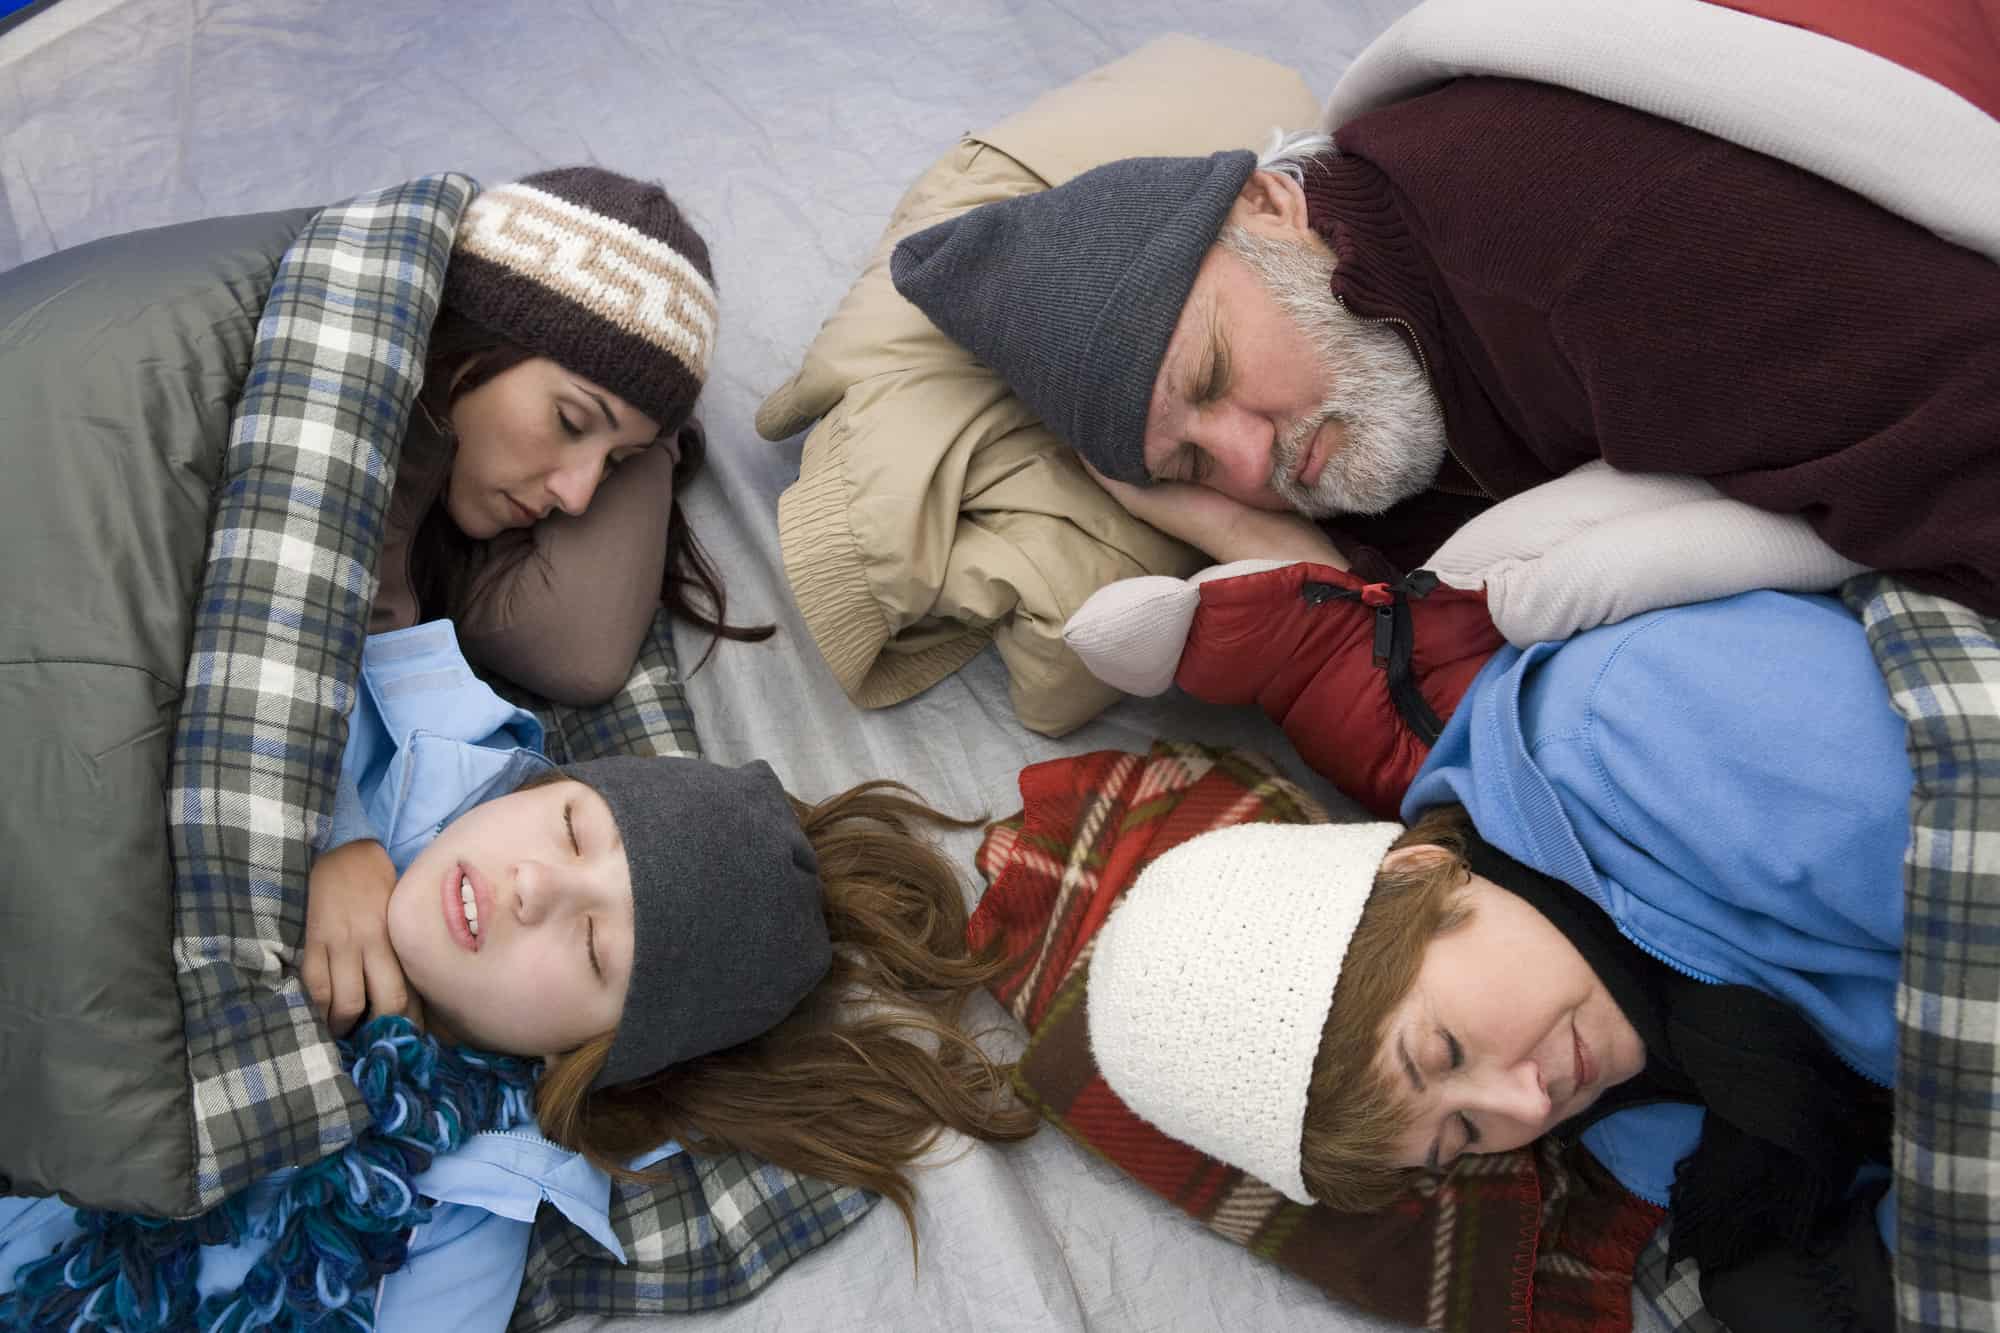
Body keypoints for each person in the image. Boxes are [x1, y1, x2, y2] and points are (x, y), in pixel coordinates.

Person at [0, 621, 1033, 1331]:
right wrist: (323, 831)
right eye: (574, 826)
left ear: (575, 1053)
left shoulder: (461, 1222)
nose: (536, 888)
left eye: (591, 951)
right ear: (543, 784)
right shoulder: (361, 719)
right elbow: (149, 657)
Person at [1083, 589, 1910, 1332]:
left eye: (1443, 1051)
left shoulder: (1637, 723)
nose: (1527, 1101)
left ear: (1417, 874)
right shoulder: (1633, 1126)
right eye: (1465, 1133)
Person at [887, 79, 2000, 617]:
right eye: (1183, 462)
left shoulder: (1580, 246)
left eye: (1213, 378)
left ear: (1271, 206)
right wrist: (1262, 548)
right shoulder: (1373, 410)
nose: (1242, 456)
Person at [388, 166, 768, 706]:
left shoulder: (448, 532)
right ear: (462, 334)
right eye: (571, 421)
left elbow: (579, 655)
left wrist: (655, 431)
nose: (578, 497)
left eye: (616, 462)